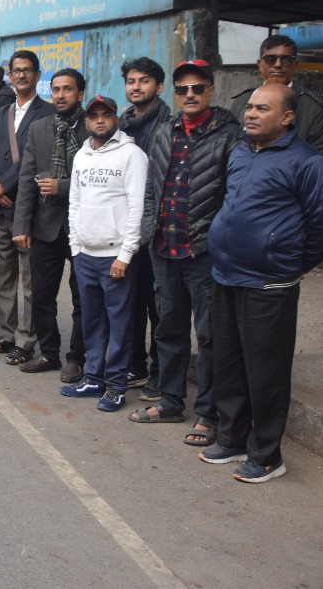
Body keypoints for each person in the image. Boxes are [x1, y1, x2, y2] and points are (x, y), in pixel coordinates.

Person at [202, 83, 323, 483]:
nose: (251, 114)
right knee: (230, 363)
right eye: (249, 107)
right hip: (226, 275)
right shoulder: (241, 151)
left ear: (287, 117)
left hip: (269, 283)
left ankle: (266, 455)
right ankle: (232, 438)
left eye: (263, 108)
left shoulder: (306, 162)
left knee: (266, 371)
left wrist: (287, 261)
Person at [127, 60, 242, 446]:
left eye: (197, 88)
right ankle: (172, 401)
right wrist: (146, 232)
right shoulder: (164, 132)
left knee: (209, 336)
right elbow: (150, 191)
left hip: (204, 252)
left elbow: (235, 196)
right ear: (174, 94)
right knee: (169, 330)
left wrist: (219, 240)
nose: (189, 95)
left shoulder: (229, 135)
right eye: (182, 89)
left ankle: (208, 414)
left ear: (211, 90)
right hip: (163, 248)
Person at [63, 95, 148, 413]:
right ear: (86, 121)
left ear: (116, 119)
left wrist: (126, 254)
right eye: (94, 116)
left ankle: (115, 385)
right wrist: (76, 246)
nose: (100, 120)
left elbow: (137, 208)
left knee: (119, 321)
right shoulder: (82, 156)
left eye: (106, 115)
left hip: (115, 257)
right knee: (92, 320)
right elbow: (75, 203)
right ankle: (94, 378)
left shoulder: (132, 156)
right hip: (85, 254)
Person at [0, 50, 53, 363]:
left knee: (29, 279)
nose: (20, 76)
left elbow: (42, 161)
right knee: (2, 276)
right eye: (16, 71)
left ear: (37, 75)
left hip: (29, 208)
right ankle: (6, 334)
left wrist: (5, 184)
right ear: (10, 76)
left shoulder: (49, 113)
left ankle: (26, 339)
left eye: (27, 71)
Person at [14, 68, 88, 382]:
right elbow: (27, 180)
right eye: (56, 89)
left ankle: (77, 358)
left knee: (82, 297)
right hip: (45, 226)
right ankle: (49, 352)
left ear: (80, 94)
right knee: (42, 295)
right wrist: (21, 226)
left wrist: (65, 186)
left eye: (67, 89)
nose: (60, 95)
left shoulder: (93, 127)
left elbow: (104, 179)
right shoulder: (40, 128)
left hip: (84, 227)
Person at [118, 57, 172, 395]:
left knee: (161, 306)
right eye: (131, 81)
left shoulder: (169, 124)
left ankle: (161, 372)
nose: (136, 87)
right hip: (127, 228)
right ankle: (135, 366)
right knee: (132, 301)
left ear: (159, 87)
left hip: (159, 228)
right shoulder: (120, 124)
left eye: (144, 81)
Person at [229, 34, 323, 182]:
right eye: (270, 59)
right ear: (260, 64)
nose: (278, 64)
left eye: (285, 59)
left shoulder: (313, 107)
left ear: (295, 64)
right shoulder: (242, 100)